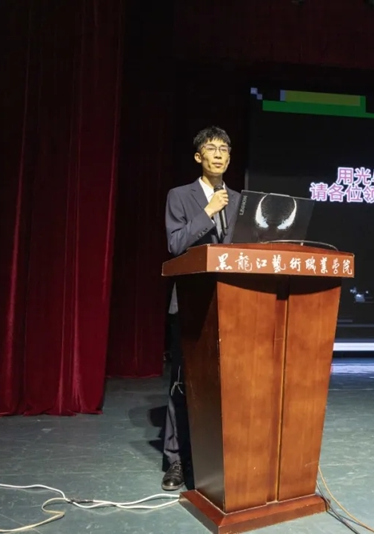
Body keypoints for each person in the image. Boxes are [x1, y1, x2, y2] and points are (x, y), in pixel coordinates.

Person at [161, 126, 240, 491]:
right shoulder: (180, 196)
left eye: (224, 148)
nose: (219, 154)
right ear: (199, 157)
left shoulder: (239, 199)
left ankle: (219, 457)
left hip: (233, 304)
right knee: (183, 383)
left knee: (227, 386)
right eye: (211, 148)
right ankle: (176, 460)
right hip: (192, 304)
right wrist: (208, 211)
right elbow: (176, 244)